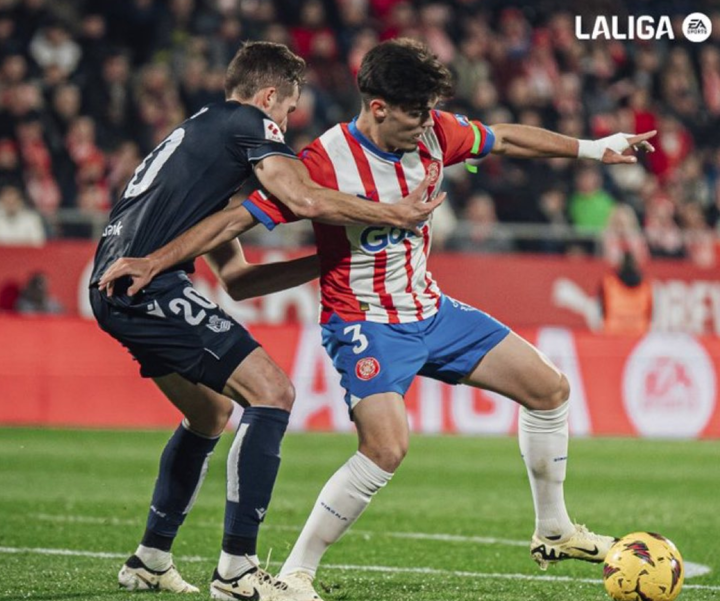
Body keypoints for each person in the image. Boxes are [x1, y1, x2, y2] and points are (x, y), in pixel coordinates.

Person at [99, 39, 656, 601]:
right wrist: (157, 260)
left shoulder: (436, 133)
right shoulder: (321, 162)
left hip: (431, 308)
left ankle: (554, 529)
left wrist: (594, 148)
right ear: (379, 107)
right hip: (365, 322)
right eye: (415, 113)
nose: (426, 124)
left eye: (430, 111)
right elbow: (235, 221)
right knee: (386, 447)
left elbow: (505, 137)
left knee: (550, 388)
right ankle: (295, 571)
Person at [89, 41, 442, 600]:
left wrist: (329, 260)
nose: (288, 123)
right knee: (272, 392)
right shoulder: (246, 122)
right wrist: (393, 215)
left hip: (122, 284)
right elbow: (303, 198)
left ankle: (150, 560)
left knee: (210, 414)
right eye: (290, 110)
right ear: (270, 96)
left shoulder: (203, 148)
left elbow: (237, 280)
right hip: (144, 284)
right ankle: (237, 571)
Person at [600, 251, 653, 335]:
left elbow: (601, 308)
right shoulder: (646, 286)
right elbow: (649, 312)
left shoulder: (609, 283)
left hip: (613, 331)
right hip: (639, 333)